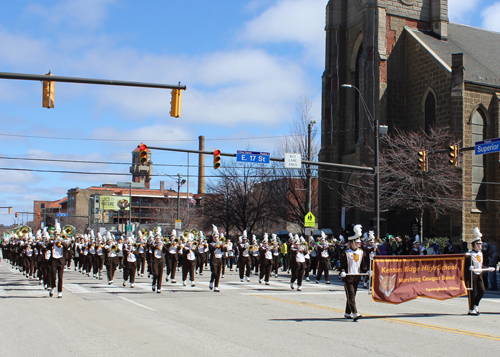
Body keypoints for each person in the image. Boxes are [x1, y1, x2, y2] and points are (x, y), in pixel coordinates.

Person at [340, 224, 369, 321]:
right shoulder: (346, 252)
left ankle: (347, 312)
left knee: (352, 295)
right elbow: (342, 266)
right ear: (352, 243)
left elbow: (363, 265)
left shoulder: (361, 252)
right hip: (348, 277)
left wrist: (367, 271)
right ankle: (355, 313)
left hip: (356, 277)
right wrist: (342, 272)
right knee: (351, 295)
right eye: (357, 243)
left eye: (360, 243)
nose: (359, 244)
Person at [464, 228, 496, 315]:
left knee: (482, 290)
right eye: (479, 244)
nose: (481, 245)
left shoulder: (480, 254)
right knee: (472, 292)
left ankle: (475, 305)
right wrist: (469, 267)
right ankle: (471, 309)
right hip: (471, 275)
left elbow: (481, 265)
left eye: (481, 244)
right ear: (475, 245)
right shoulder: (469, 254)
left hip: (479, 274)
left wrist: (489, 268)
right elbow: (465, 266)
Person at [209, 225, 226, 292]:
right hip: (213, 259)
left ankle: (216, 286)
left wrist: (222, 245)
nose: (216, 238)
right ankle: (211, 281)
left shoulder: (221, 243)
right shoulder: (211, 244)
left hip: (220, 259)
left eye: (217, 237)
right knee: (214, 272)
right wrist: (215, 246)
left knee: (218, 273)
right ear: (213, 238)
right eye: (215, 237)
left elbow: (224, 250)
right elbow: (211, 250)